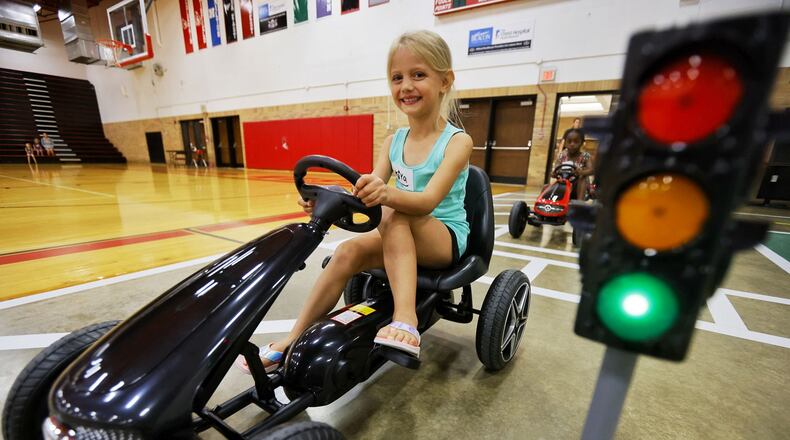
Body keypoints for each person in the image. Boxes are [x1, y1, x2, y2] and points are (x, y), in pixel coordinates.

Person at [236, 30, 473, 373]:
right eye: (397, 77)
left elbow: (425, 201)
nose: (406, 85)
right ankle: (291, 339)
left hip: (444, 238)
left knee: (394, 213)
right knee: (347, 251)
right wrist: (327, 200)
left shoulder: (457, 142)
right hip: (401, 232)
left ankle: (405, 318)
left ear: (445, 81)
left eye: (418, 74)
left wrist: (386, 196)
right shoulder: (393, 141)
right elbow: (370, 188)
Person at [553, 128, 593, 200]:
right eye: (569, 141)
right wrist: (555, 173)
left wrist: (581, 172)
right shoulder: (562, 155)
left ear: (581, 143)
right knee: (546, 187)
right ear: (565, 143)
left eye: (576, 142)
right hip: (564, 184)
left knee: (582, 179)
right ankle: (545, 205)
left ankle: (579, 204)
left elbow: (591, 170)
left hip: (579, 186)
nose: (572, 144)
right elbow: (556, 167)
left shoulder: (585, 156)